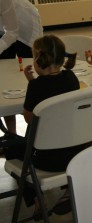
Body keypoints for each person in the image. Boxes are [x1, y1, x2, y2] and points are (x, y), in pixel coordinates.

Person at [4, 35, 90, 221]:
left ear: (38, 59)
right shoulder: (70, 77)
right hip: (76, 151)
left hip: (46, 158)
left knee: (12, 148)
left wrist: (32, 84)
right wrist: (33, 83)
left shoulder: (36, 86)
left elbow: (29, 120)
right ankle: (67, 191)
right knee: (28, 140)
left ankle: (37, 200)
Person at [0, 0, 43, 134]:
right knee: (4, 77)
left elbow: (12, 32)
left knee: (36, 68)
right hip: (3, 27)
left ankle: (34, 133)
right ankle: (12, 135)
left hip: (24, 22)